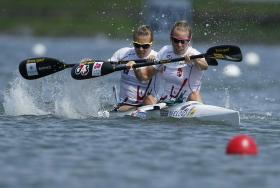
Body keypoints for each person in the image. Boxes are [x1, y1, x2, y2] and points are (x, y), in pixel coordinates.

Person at [131, 20, 208, 103]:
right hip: (167, 102)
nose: (179, 44)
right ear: (171, 38)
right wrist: (136, 67)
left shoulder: (194, 54)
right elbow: (145, 77)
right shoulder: (165, 51)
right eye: (176, 40)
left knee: (195, 96)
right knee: (148, 99)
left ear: (189, 40)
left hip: (188, 102)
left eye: (183, 41)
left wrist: (195, 60)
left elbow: (205, 66)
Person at [108, 25, 158, 112]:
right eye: (137, 45)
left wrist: (137, 67)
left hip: (148, 103)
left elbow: (143, 78)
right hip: (126, 105)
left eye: (145, 46)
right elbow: (107, 66)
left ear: (151, 43)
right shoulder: (123, 53)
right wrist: (91, 63)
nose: (141, 49)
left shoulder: (158, 57)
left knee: (149, 100)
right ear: (133, 43)